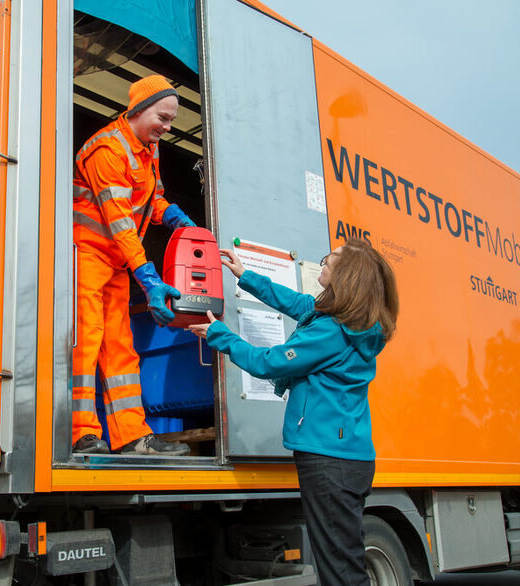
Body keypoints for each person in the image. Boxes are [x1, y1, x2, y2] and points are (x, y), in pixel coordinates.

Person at [188, 239, 399, 586]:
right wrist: (247, 275)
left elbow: (268, 362)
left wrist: (220, 336)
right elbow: (297, 303)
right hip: (349, 458)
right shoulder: (352, 325)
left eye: (329, 261)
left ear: (345, 279)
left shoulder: (329, 333)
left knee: (340, 572)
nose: (324, 263)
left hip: (329, 461)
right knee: (344, 561)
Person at [71, 75, 195, 456]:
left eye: (171, 120)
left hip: (116, 261)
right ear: (138, 109)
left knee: (122, 348)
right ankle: (82, 433)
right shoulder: (107, 150)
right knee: (87, 341)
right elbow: (120, 221)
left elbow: (150, 195)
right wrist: (149, 279)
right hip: (89, 254)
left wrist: (169, 213)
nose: (167, 127)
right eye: (163, 117)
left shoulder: (146, 147)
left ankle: (131, 437)